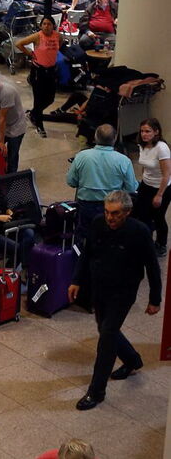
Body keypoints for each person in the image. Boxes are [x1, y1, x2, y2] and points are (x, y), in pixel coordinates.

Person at [69, 191, 162, 411]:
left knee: (108, 336)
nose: (110, 217)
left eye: (116, 213)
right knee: (104, 328)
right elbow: (87, 253)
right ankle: (132, 360)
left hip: (124, 291)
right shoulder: (98, 223)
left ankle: (96, 391)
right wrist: (76, 280)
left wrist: (155, 298)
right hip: (100, 287)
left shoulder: (139, 232)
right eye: (107, 212)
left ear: (127, 213)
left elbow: (152, 266)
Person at [67, 124, 138, 256]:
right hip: (113, 208)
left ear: (95, 137)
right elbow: (131, 188)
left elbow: (71, 181)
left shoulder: (82, 156)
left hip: (86, 206)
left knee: (84, 238)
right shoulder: (123, 161)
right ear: (115, 138)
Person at [15, 15, 61, 137]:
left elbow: (59, 45)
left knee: (50, 98)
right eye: (44, 24)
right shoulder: (37, 36)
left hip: (51, 71)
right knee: (39, 99)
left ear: (53, 26)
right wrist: (30, 54)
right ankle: (39, 124)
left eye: (49, 24)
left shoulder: (57, 36)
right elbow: (19, 44)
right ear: (41, 25)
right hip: (38, 71)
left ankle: (33, 113)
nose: (46, 26)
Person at [131, 119, 171, 257]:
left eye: (148, 131)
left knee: (158, 217)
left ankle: (161, 244)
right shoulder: (142, 145)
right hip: (146, 184)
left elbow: (167, 174)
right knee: (142, 213)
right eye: (142, 131)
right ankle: (145, 240)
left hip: (162, 187)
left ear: (156, 132)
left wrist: (159, 195)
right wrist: (143, 181)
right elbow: (145, 165)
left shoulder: (161, 148)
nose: (144, 134)